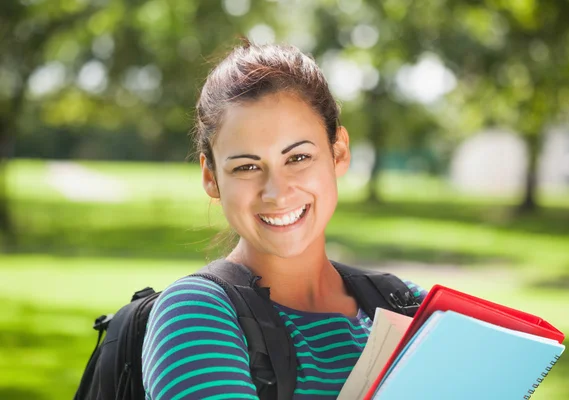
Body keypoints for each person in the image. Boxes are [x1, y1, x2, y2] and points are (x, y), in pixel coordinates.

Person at [141, 41, 427, 400]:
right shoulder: (192, 315)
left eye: (298, 157)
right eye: (246, 166)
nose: (276, 192)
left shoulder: (410, 306)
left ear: (338, 152)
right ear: (211, 178)